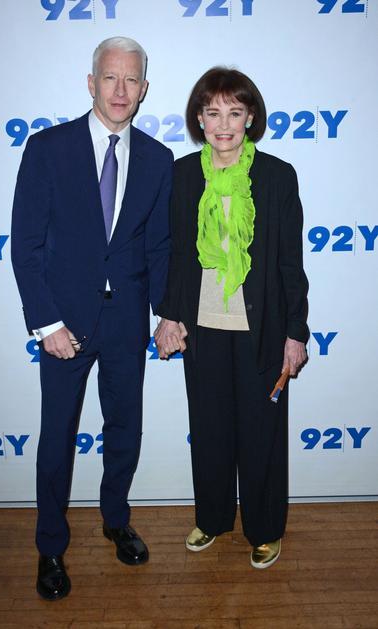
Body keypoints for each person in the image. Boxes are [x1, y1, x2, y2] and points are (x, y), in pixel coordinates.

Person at [11, 36, 173, 600]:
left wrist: (168, 313)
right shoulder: (47, 149)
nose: (120, 90)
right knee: (58, 436)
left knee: (124, 428)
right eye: (110, 77)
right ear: (91, 83)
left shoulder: (157, 159)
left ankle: (115, 519)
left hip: (127, 323)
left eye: (131, 80)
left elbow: (159, 247)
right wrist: (46, 323)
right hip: (63, 326)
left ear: (144, 89)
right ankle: (50, 546)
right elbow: (25, 245)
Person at [155, 67, 308, 569]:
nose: (224, 124)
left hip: (261, 331)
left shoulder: (277, 176)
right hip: (202, 328)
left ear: (250, 118)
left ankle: (265, 529)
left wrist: (295, 333)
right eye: (213, 112)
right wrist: (169, 316)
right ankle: (213, 517)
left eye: (234, 113)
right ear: (199, 118)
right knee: (210, 430)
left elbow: (290, 264)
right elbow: (177, 255)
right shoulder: (182, 174)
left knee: (262, 435)